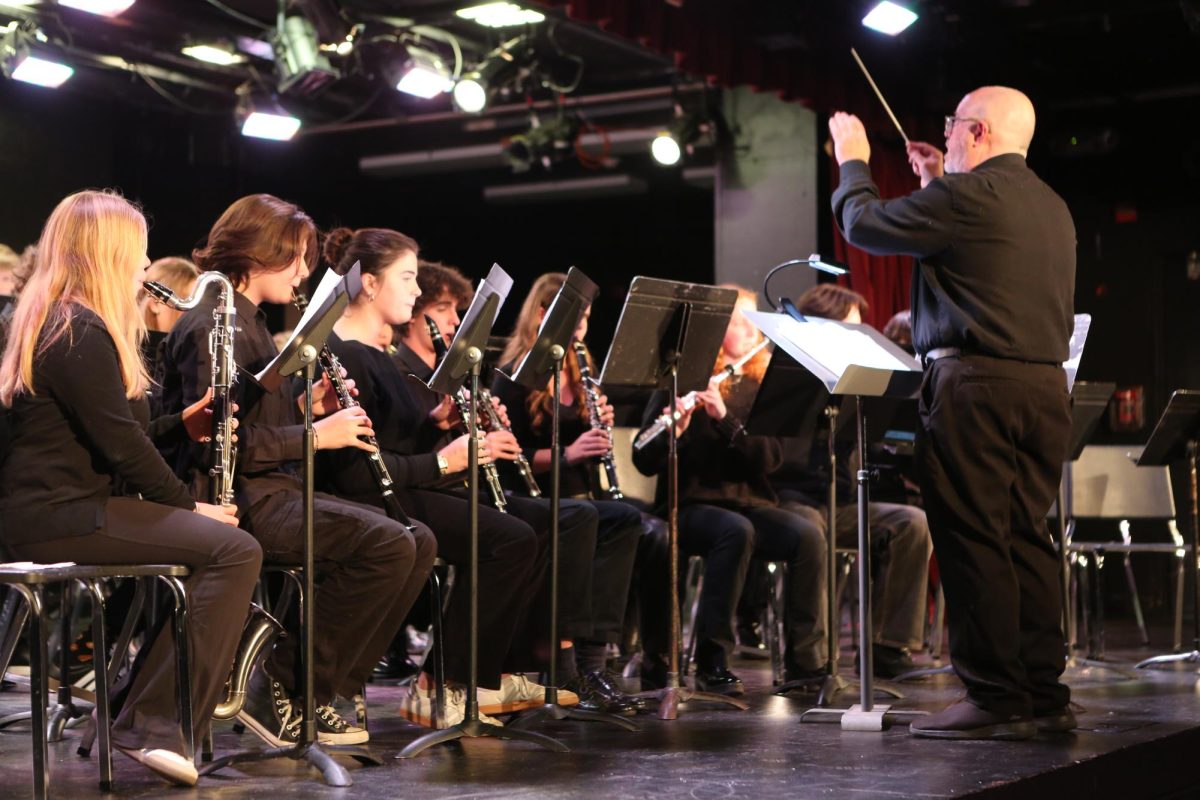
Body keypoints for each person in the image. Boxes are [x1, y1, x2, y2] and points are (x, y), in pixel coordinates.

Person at [828, 85, 1075, 739]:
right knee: (1027, 535)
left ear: (980, 133)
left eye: (952, 128)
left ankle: (994, 695)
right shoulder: (1052, 208)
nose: (946, 137)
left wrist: (853, 160)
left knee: (973, 536)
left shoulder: (966, 200)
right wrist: (938, 178)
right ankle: (1041, 687)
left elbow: (863, 226)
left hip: (975, 385)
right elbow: (978, 251)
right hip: (1044, 390)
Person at [0, 190, 262, 787]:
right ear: (107, 255)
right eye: (139, 255)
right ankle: (149, 724)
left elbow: (107, 433)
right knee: (235, 549)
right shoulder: (76, 328)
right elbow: (121, 447)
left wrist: (178, 424)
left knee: (224, 550)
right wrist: (187, 505)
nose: (146, 269)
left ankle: (136, 714)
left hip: (67, 507)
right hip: (59, 515)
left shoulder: (57, 318)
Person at [158, 194, 437, 747]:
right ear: (261, 254)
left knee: (417, 539)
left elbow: (255, 416)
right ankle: (279, 684)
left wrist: (312, 407)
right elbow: (217, 441)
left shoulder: (250, 321)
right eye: (297, 257)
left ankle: (319, 691)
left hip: (273, 488)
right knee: (387, 545)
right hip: (237, 498)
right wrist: (314, 436)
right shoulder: (214, 324)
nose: (305, 271)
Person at [316, 228, 568, 727]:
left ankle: (473, 675)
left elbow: (392, 433)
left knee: (529, 527)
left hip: (403, 487)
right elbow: (357, 471)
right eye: (407, 278)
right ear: (368, 284)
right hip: (372, 499)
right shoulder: (346, 353)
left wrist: (440, 424)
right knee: (509, 538)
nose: (416, 291)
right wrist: (446, 461)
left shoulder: (378, 354)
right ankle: (446, 682)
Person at [392, 261, 608, 711]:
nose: (455, 322)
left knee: (560, 520)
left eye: (457, 310)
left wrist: (461, 424)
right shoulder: (400, 366)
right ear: (415, 315)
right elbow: (400, 447)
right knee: (514, 534)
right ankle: (448, 677)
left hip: (448, 485)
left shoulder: (439, 366)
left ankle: (508, 667)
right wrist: (454, 435)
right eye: (444, 309)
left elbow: (432, 438)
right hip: (417, 491)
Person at [633, 287, 828, 694]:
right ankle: (712, 659)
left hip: (751, 504)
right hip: (690, 506)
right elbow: (642, 459)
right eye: (738, 322)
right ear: (716, 330)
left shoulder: (760, 387)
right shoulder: (681, 378)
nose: (749, 331)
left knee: (806, 534)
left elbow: (770, 460)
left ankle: (804, 663)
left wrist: (725, 420)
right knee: (734, 531)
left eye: (751, 322)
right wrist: (677, 431)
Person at [492, 272, 645, 713]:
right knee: (594, 522)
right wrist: (569, 452)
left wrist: (601, 431)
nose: (580, 328)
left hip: (579, 495)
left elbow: (590, 452)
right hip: (530, 493)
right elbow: (508, 456)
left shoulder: (583, 373)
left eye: (585, 319)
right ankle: (563, 668)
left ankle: (594, 663)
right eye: (572, 318)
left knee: (633, 522)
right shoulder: (513, 375)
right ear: (542, 315)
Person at [771, 282, 933, 679]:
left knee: (911, 523)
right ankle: (809, 661)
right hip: (791, 498)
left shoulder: (859, 383)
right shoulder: (791, 376)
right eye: (853, 329)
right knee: (811, 532)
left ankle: (886, 647)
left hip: (840, 502)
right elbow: (777, 456)